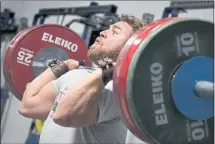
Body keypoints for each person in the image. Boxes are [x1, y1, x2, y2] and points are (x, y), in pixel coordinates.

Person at [19, 14, 146, 144]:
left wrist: (109, 71)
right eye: (108, 28)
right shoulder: (76, 74)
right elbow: (27, 106)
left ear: (130, 47)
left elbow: (64, 116)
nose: (103, 32)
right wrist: (62, 66)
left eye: (115, 32)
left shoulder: (115, 91)